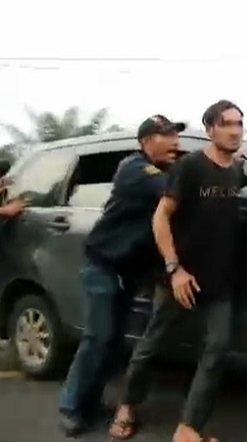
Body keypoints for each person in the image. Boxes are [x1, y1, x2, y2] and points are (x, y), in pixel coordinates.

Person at [109, 100, 245, 442]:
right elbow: (161, 217)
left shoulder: (236, 170)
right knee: (151, 345)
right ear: (211, 129)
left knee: (217, 350)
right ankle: (127, 405)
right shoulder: (190, 167)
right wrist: (175, 269)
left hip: (219, 281)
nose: (234, 130)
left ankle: (188, 428)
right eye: (227, 123)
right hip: (179, 278)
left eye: (239, 124)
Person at [57, 115, 185, 437]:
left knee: (113, 343)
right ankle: (70, 407)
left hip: (127, 273)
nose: (175, 142)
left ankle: (91, 402)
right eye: (166, 135)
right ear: (145, 141)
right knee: (98, 337)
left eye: (176, 136)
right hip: (103, 267)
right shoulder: (135, 169)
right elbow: (175, 191)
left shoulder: (164, 171)